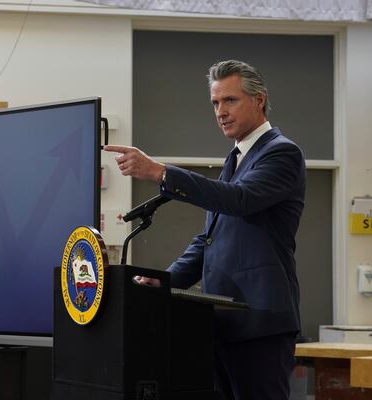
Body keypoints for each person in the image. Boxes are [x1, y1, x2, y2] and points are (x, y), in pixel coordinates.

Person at [104, 59, 305, 400]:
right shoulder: (236, 159)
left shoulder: (281, 153)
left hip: (259, 320)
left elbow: (239, 200)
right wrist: (166, 280)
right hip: (222, 321)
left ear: (259, 100)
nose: (220, 111)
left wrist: (160, 172)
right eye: (215, 103)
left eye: (230, 100)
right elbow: (209, 239)